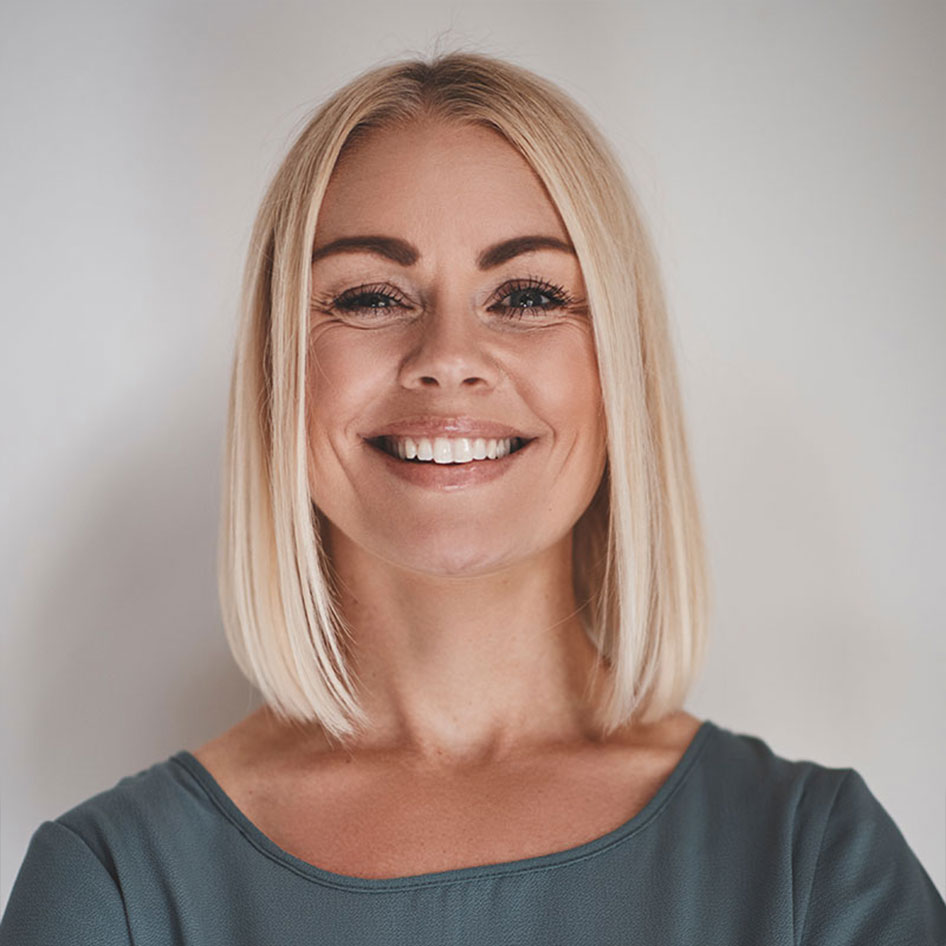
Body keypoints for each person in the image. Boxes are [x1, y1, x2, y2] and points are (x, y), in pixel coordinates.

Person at [2, 50, 943, 946]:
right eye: (370, 297)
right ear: (280, 372)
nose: (448, 357)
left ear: (620, 369)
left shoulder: (817, 862)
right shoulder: (110, 886)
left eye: (526, 296)